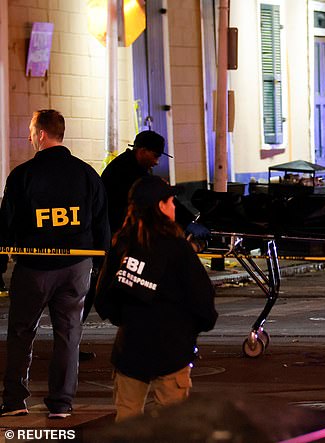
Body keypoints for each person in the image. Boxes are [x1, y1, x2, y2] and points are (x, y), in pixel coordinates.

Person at [0, 109, 110, 418]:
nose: (29, 137)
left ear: (43, 135)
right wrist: (102, 262)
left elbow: (6, 221)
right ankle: (61, 403)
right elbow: (102, 221)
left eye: (32, 131)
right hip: (77, 267)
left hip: (34, 267)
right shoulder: (87, 174)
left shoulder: (23, 176)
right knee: (68, 333)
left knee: (22, 331)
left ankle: (14, 401)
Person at [94, 175, 217, 422]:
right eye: (171, 202)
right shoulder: (178, 248)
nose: (174, 207)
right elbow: (202, 299)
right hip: (172, 347)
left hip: (131, 346)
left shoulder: (122, 244)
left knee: (127, 423)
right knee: (172, 425)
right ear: (160, 206)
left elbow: (103, 299)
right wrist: (192, 328)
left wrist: (127, 317)